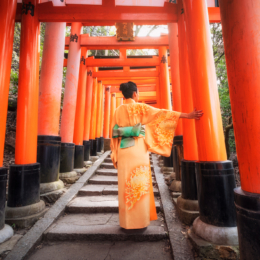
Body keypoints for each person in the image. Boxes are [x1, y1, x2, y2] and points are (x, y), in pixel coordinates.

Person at [110, 81, 203, 230]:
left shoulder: (117, 110)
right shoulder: (140, 108)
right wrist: (188, 115)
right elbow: (163, 114)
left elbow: (114, 132)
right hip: (138, 150)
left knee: (125, 185)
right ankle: (139, 222)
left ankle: (126, 222)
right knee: (139, 184)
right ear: (135, 93)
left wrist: (115, 153)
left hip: (123, 149)